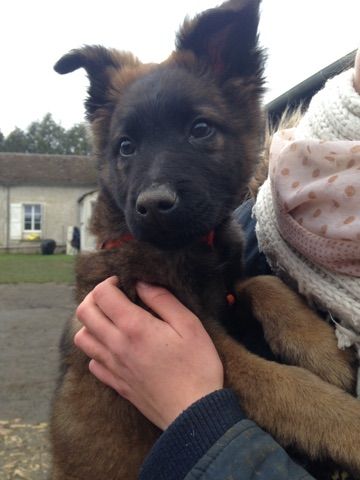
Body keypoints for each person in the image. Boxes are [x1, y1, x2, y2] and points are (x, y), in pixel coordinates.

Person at [73, 48, 360, 480]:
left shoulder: (231, 238)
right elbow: (219, 367)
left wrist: (265, 297)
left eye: (198, 129)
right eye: (127, 146)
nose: (154, 190)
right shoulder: (120, 277)